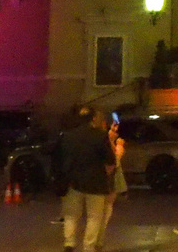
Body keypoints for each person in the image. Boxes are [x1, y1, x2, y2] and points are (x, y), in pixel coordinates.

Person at [57, 108, 115, 252]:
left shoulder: (68, 136)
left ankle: (69, 244)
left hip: (72, 182)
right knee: (94, 217)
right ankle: (89, 247)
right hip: (95, 182)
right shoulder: (100, 136)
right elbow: (110, 159)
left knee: (71, 215)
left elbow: (60, 157)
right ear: (93, 118)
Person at [100, 113, 127, 245]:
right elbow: (114, 160)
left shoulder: (101, 137)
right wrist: (119, 147)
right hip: (108, 178)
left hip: (102, 178)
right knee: (105, 209)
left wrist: (111, 135)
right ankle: (97, 242)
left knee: (101, 211)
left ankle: (96, 241)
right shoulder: (102, 140)